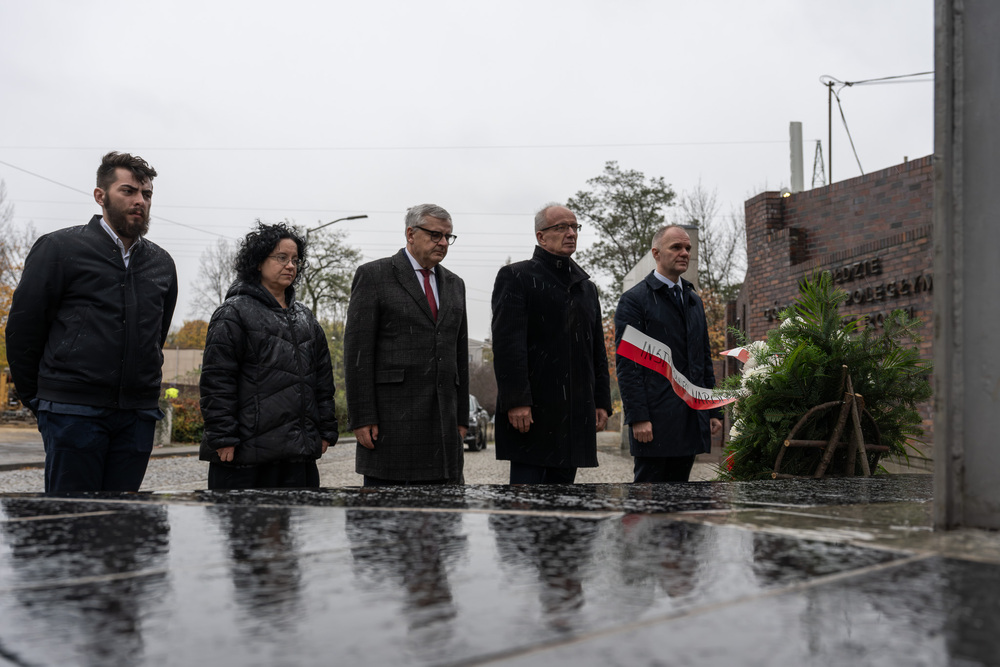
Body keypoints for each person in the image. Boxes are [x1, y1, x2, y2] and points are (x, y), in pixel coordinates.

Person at [6, 151, 177, 493]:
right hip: (72, 413)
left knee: (122, 530)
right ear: (101, 195)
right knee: (71, 527)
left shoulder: (162, 264)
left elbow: (154, 337)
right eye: (128, 191)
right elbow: (23, 330)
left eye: (146, 194)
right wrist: (40, 401)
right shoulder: (59, 248)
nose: (139, 201)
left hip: (137, 416)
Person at [199, 222, 338, 489]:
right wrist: (222, 435)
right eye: (281, 257)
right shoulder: (233, 313)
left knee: (299, 529)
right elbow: (217, 380)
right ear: (258, 262)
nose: (290, 266)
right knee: (246, 530)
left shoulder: (305, 317)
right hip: (245, 457)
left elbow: (323, 381)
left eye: (295, 260)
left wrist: (326, 430)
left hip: (299, 457)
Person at [343, 204, 469, 486]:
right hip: (391, 426)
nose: (444, 243)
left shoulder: (455, 284)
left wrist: (462, 418)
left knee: (445, 521)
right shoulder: (374, 276)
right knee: (389, 522)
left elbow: (459, 356)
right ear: (410, 234)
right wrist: (362, 417)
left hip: (443, 430)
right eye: (436, 235)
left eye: (449, 236)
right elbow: (357, 354)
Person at [491, 204, 612, 484]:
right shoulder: (516, 277)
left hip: (573, 416)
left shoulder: (586, 287)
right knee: (528, 510)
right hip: (532, 414)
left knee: (566, 511)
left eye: (574, 227)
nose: (570, 233)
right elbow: (509, 345)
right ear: (541, 236)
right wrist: (516, 401)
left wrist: (601, 402)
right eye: (561, 227)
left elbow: (596, 350)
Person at [614, 224, 723, 483]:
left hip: (690, 416)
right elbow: (628, 365)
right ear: (656, 253)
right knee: (647, 500)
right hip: (655, 419)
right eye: (676, 247)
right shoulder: (635, 300)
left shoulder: (693, 300)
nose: (684, 253)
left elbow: (703, 359)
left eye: (688, 248)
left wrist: (713, 410)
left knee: (681, 500)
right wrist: (638, 417)